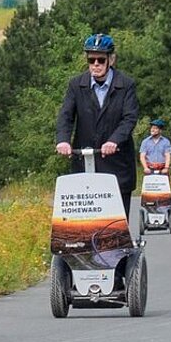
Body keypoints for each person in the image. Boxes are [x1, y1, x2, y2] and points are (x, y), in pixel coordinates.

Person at [55, 33, 140, 218]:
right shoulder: (76, 85)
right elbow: (66, 115)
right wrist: (63, 140)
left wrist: (114, 141)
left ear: (111, 59)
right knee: (86, 221)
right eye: (91, 59)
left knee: (116, 222)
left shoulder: (125, 85)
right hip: (85, 162)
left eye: (100, 60)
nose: (95, 64)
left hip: (116, 163)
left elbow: (129, 118)